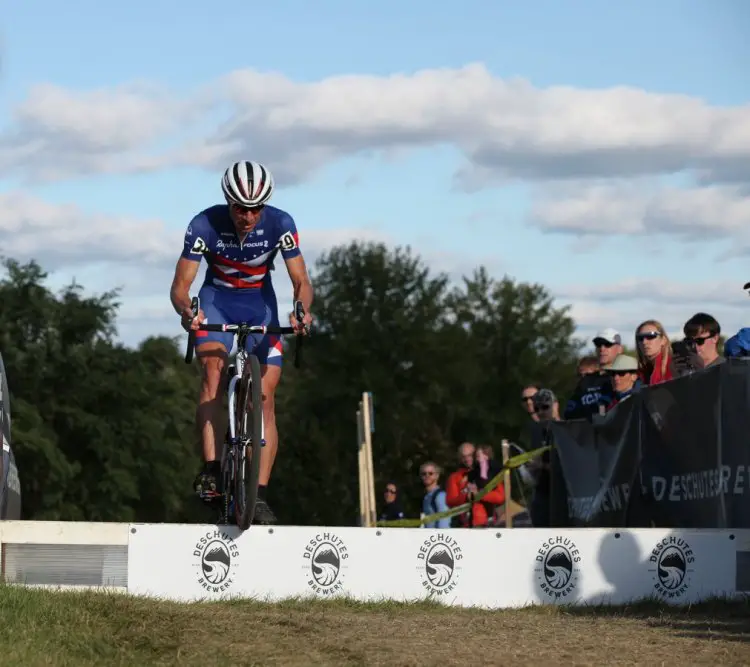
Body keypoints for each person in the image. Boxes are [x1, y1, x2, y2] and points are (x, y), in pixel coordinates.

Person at [169, 160, 313, 525]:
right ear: (227, 200)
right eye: (239, 207)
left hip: (259, 304)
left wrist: (301, 311)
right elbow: (180, 287)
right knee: (213, 371)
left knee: (266, 397)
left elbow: (301, 281)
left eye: (255, 208)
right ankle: (213, 468)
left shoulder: (281, 223)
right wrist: (188, 311)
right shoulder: (204, 224)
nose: (247, 216)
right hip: (217, 299)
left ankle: (259, 494)